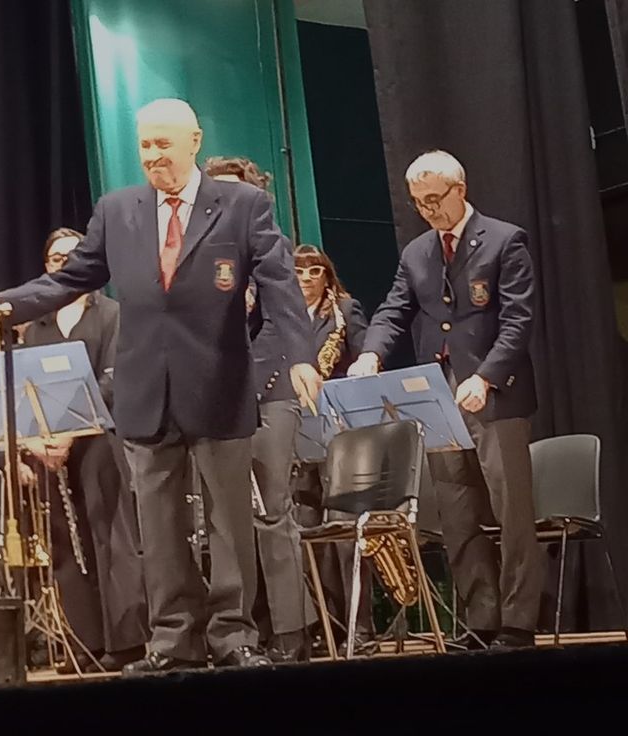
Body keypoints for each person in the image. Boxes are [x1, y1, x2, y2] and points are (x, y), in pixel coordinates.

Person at [0, 98, 320, 674]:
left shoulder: (243, 205)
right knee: (158, 525)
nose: (153, 156)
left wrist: (300, 356)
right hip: (145, 392)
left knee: (228, 523)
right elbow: (70, 279)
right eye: (145, 145)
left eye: (163, 144)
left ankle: (233, 636)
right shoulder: (118, 209)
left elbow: (279, 286)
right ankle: (173, 640)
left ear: (194, 142)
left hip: (219, 386)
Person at [350, 150, 542, 650]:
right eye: (419, 202)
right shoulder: (417, 252)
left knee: (511, 510)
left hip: (495, 395)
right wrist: (371, 353)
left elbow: (518, 320)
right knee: (457, 513)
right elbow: (394, 309)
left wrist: (486, 377)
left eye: (435, 198)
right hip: (437, 396)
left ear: (460, 189)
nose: (429, 210)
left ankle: (518, 622)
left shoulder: (504, 240)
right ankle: (482, 619)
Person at [19, 228, 149, 672]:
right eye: (56, 258)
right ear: (46, 267)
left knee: (111, 538)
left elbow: (114, 379)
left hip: (100, 441)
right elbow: (25, 387)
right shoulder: (35, 325)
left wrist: (71, 433)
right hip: (49, 446)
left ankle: (126, 642)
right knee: (63, 542)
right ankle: (85, 643)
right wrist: (37, 441)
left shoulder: (112, 314)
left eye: (73, 256)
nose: (65, 263)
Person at [205, 156, 316, 662]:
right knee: (228, 520)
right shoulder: (199, 251)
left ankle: (293, 633)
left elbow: (281, 319)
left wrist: (259, 380)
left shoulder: (271, 245)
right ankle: (243, 633)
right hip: (218, 399)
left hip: (270, 390)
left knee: (274, 512)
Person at [287, 244, 375, 653]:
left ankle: (361, 628)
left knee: (345, 535)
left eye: (314, 271)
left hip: (341, 435)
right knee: (307, 532)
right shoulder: (283, 315)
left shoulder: (344, 311)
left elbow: (365, 362)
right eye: (298, 272)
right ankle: (329, 626)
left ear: (327, 275)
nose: (306, 279)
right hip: (298, 437)